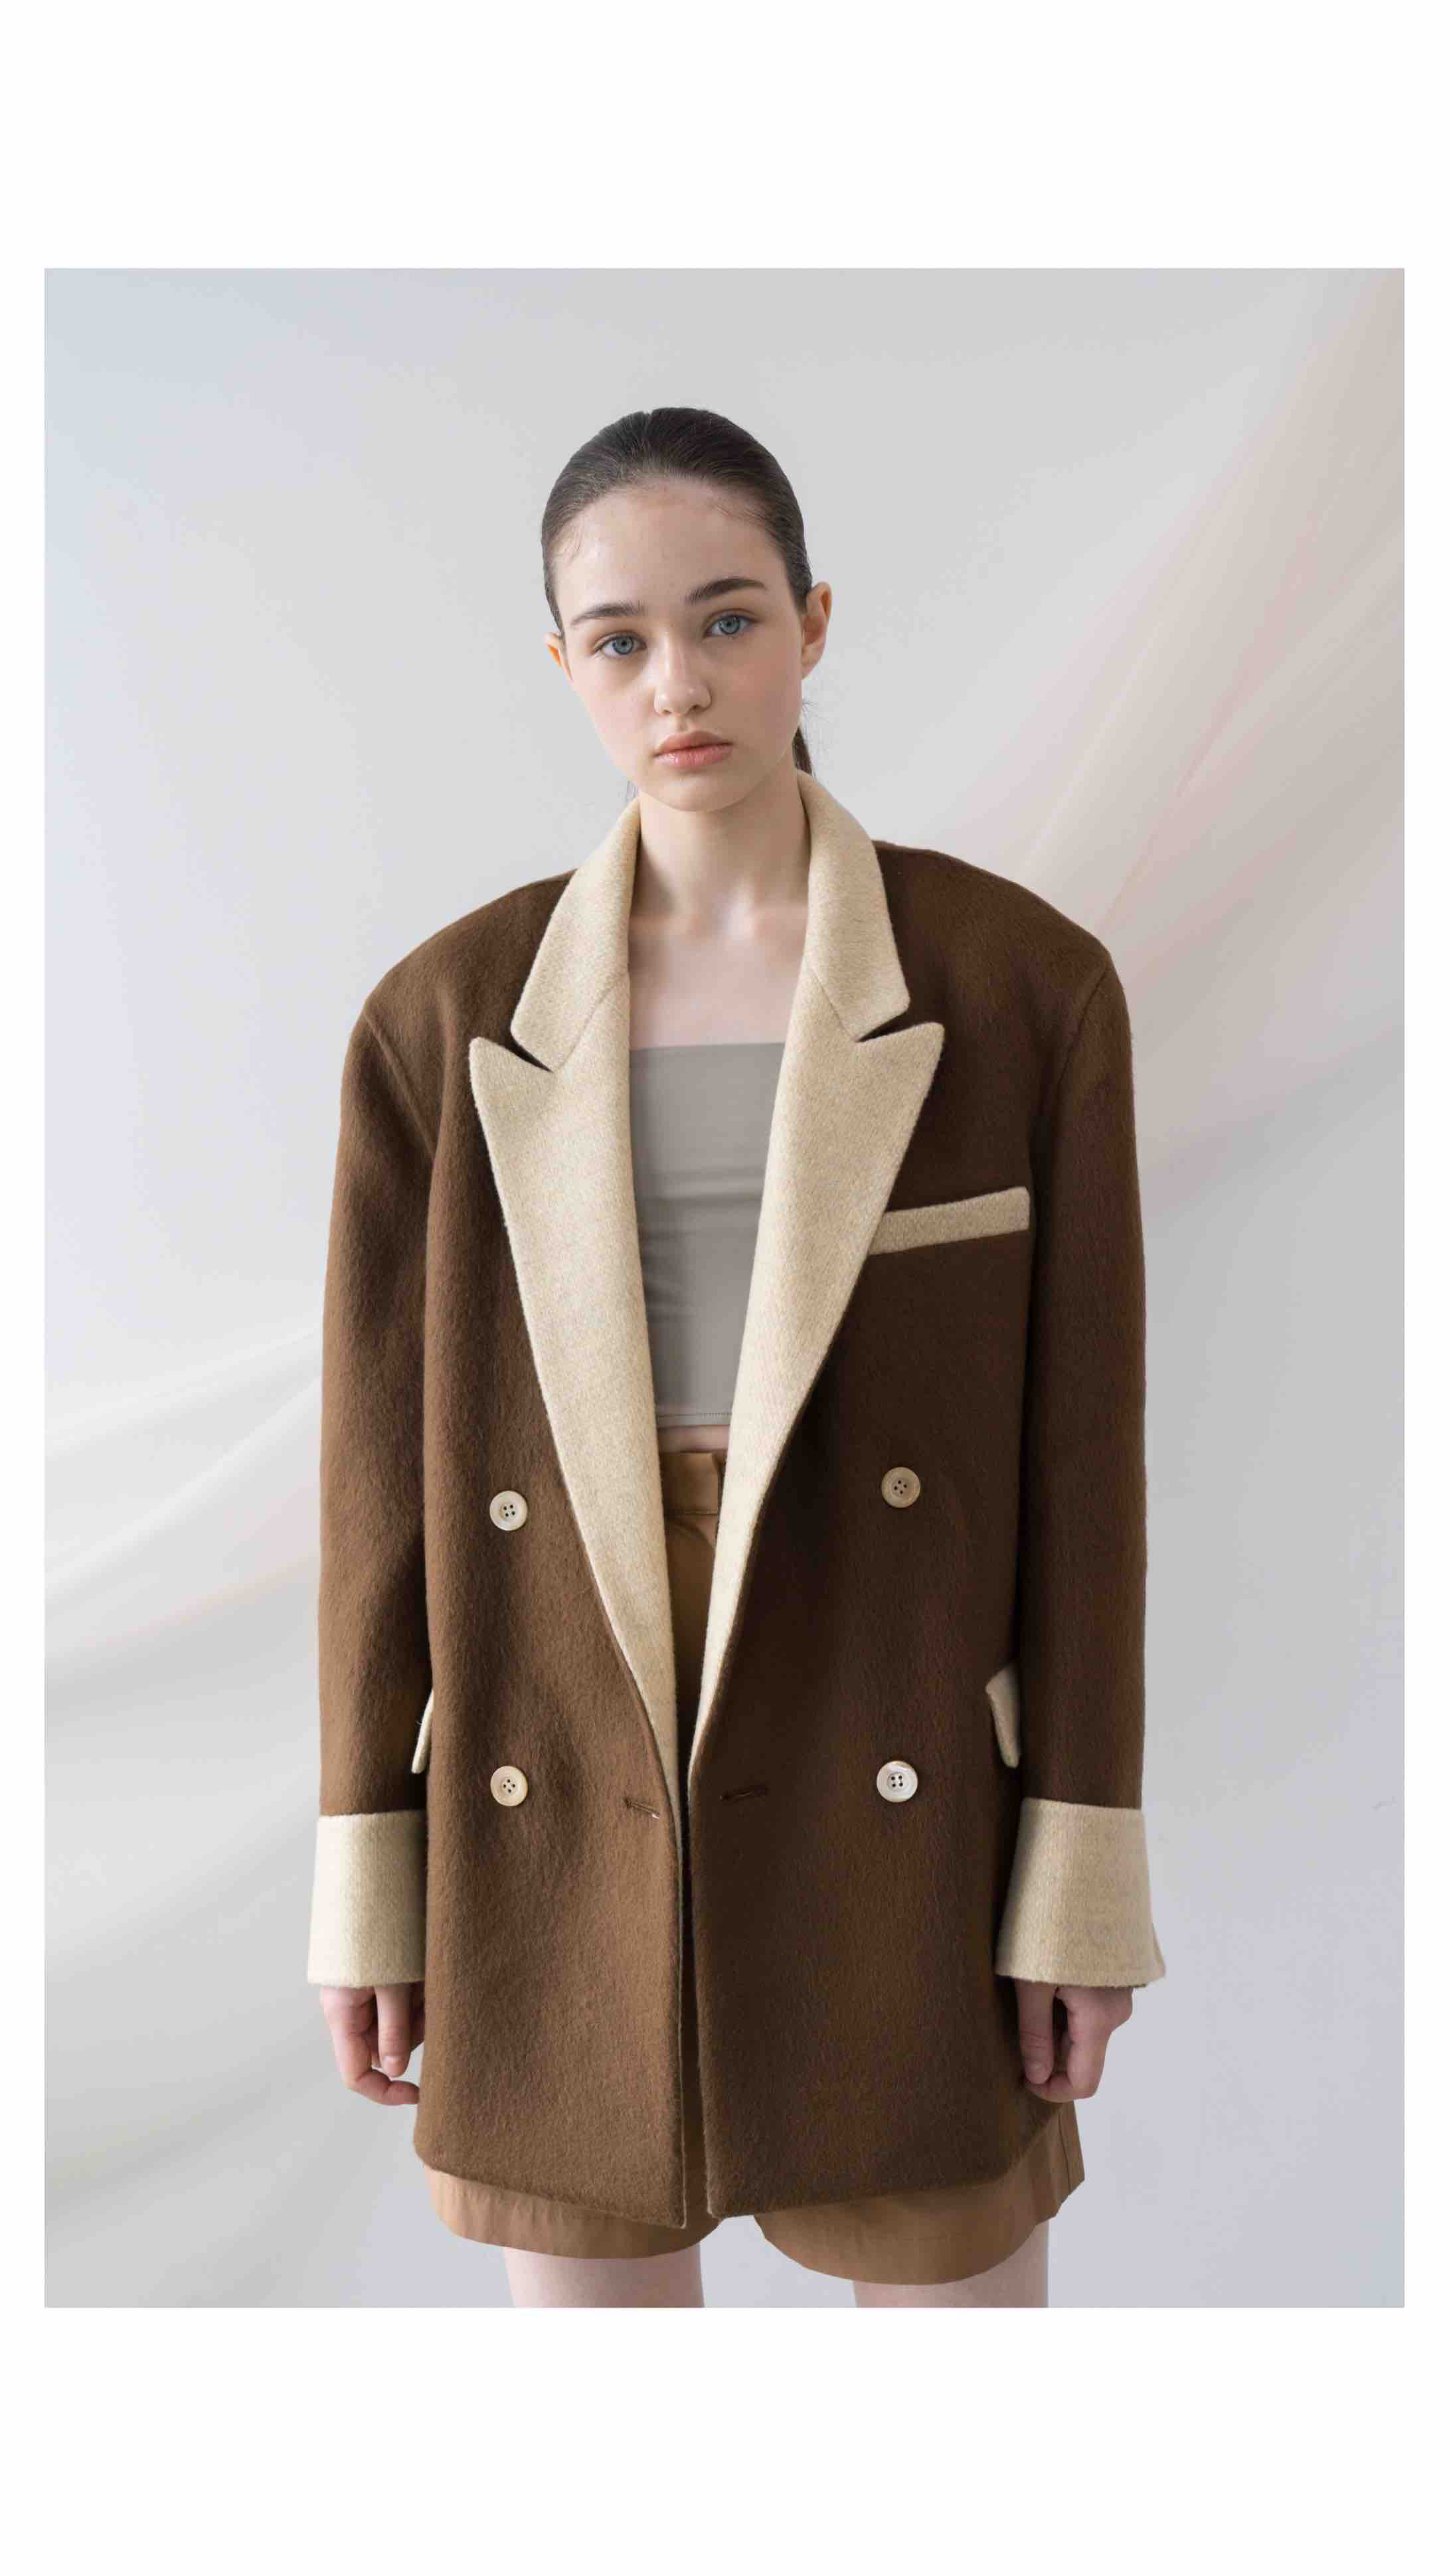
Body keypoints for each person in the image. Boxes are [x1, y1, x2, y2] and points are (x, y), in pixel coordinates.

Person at [311, 405, 1163, 2307]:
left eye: (726, 620)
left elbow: (1084, 1475)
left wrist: (1081, 1876)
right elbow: (378, 1497)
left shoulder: (1017, 988)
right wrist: (371, 1875)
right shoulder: (443, 1021)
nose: (677, 685)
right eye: (619, 639)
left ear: (812, 622)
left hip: (894, 1695)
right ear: (563, 664)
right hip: (559, 1708)